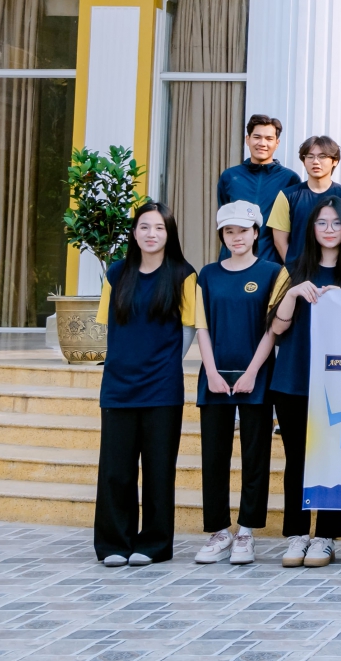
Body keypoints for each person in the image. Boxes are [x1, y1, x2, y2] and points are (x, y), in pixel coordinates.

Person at [93, 202, 200, 567]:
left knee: (158, 470)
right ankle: (114, 543)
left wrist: (166, 364)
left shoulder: (183, 274)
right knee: (116, 471)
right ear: (134, 233)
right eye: (144, 227)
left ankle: (154, 544)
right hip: (119, 385)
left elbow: (188, 328)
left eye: (159, 228)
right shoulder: (117, 273)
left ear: (169, 234)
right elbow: (108, 325)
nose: (151, 234)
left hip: (162, 388)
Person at [268, 196, 341, 569]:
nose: (328, 229)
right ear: (311, 229)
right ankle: (297, 533)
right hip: (293, 379)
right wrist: (294, 292)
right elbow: (276, 328)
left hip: (340, 384)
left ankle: (326, 536)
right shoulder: (292, 269)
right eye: (321, 222)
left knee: (333, 458)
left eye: (336, 223)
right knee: (297, 460)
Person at [192, 201, 285, 566]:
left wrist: (252, 372)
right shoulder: (208, 275)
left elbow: (272, 329)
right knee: (214, 457)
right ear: (222, 236)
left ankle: (246, 530)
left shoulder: (272, 272)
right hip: (214, 377)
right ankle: (218, 531)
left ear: (256, 232)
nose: (236, 238)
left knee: (255, 457)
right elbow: (202, 327)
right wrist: (212, 372)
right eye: (229, 232)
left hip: (256, 377)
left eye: (243, 231)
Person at [217, 114, 300, 263]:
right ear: (247, 139)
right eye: (257, 137)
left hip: (271, 263)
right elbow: (224, 218)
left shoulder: (290, 179)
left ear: (277, 143)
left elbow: (293, 227)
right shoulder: (230, 176)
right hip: (232, 261)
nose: (262, 143)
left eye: (269, 139)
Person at [268, 135, 341, 266]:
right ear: (304, 161)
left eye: (322, 156)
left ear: (335, 161)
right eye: (310, 156)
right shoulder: (287, 196)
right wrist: (293, 268)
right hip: (298, 271)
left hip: (337, 271)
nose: (315, 161)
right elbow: (280, 241)